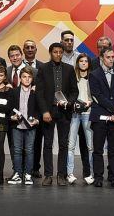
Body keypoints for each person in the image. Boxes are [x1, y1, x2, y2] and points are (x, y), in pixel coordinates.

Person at [37, 42, 77, 186]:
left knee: (63, 144)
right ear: (50, 53)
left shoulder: (69, 69)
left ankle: (61, 174)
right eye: (55, 52)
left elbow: (74, 91)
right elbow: (39, 93)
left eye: (60, 52)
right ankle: (48, 175)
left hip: (64, 111)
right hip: (49, 111)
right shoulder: (43, 68)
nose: (58, 54)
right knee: (47, 144)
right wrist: (44, 111)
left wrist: (68, 102)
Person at [88, 47, 114, 188]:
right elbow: (97, 96)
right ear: (101, 58)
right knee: (98, 149)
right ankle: (98, 176)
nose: (111, 59)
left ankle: (113, 176)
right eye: (108, 57)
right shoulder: (94, 74)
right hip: (99, 116)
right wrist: (113, 108)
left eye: (113, 57)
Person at [7, 66, 40, 185]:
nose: (27, 79)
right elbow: (9, 108)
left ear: (32, 79)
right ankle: (17, 174)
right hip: (17, 125)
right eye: (24, 77)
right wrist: (12, 117)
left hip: (31, 126)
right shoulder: (14, 91)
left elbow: (39, 108)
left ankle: (28, 174)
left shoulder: (35, 92)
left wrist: (37, 120)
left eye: (29, 77)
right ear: (20, 78)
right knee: (17, 150)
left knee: (30, 150)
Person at [67, 53, 94, 185]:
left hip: (88, 113)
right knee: (71, 145)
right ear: (77, 63)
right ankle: (69, 173)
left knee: (90, 146)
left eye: (86, 61)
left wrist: (89, 102)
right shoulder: (73, 77)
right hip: (74, 113)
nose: (83, 63)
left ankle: (91, 174)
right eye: (81, 61)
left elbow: (95, 95)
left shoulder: (92, 77)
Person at [20, 39, 45, 178]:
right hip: (19, 109)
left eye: (32, 47)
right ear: (23, 50)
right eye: (27, 47)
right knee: (20, 143)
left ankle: (35, 167)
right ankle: (21, 168)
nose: (30, 49)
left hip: (36, 110)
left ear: (36, 50)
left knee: (36, 141)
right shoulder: (17, 66)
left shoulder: (42, 66)